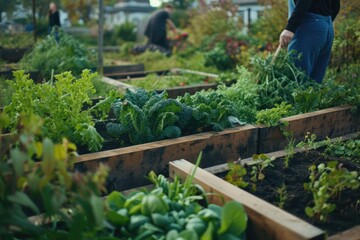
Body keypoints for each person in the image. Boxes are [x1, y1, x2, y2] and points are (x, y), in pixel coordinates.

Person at [279, 0, 340, 84]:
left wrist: (290, 28)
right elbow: (336, 5)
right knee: (314, 84)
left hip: (308, 26)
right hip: (326, 26)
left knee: (295, 80)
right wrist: (322, 24)